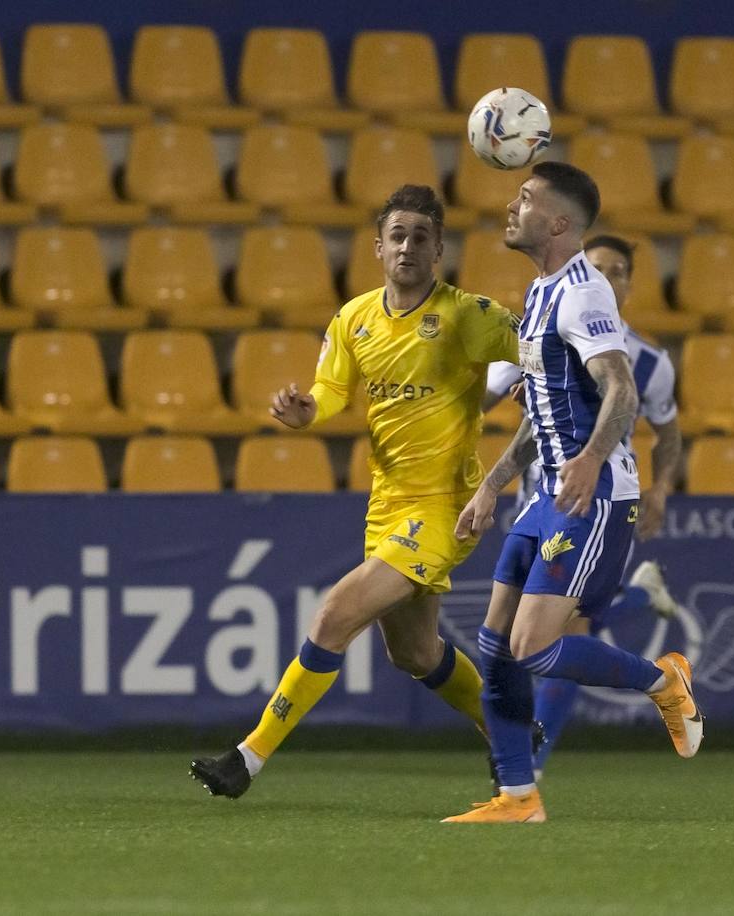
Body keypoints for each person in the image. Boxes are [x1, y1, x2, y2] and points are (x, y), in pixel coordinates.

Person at [189, 185, 522, 799]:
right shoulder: (354, 318)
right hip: (389, 504)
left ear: (439, 249)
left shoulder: (469, 315)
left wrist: (538, 387)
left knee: (335, 614)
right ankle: (509, 733)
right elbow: (334, 390)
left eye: (421, 237)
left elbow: (536, 348)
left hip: (446, 505)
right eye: (397, 236)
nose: (407, 247)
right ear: (378, 248)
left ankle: (248, 758)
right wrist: (308, 410)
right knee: (416, 653)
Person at [441, 162, 702, 824]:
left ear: (557, 222)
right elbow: (543, 416)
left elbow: (622, 387)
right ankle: (519, 798)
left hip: (592, 497)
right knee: (495, 646)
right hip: (543, 499)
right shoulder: (538, 294)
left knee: (531, 649)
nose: (511, 206)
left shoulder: (584, 294)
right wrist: (494, 486)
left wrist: (587, 460)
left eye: (525, 199)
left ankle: (663, 680)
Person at [480, 234, 684, 777]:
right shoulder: (543, 327)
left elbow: (668, 432)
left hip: (591, 502)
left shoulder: (648, 364)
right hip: (536, 500)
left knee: (558, 637)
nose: (608, 279)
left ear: (630, 284)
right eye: (599, 268)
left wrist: (660, 488)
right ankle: (643, 596)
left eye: (620, 271)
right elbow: (482, 396)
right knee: (512, 636)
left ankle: (529, 769)